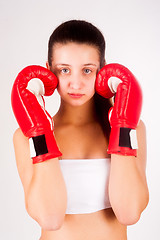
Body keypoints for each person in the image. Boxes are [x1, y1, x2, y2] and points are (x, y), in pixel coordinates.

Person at [12, 20, 149, 240]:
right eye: (64, 70)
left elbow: (129, 213)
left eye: (87, 70)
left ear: (103, 70)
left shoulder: (132, 128)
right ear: (48, 71)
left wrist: (122, 126)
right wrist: (41, 133)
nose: (76, 84)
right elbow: (49, 218)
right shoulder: (26, 136)